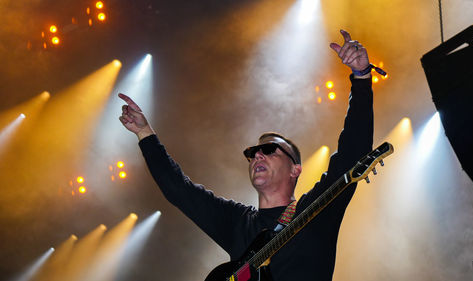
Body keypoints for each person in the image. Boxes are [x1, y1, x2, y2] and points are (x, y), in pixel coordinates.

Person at [119, 29, 374, 281]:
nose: (257, 156)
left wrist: (361, 78)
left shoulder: (317, 211)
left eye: (269, 150)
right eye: (252, 153)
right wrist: (145, 133)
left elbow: (352, 153)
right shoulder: (238, 222)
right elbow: (178, 189)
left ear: (295, 169)